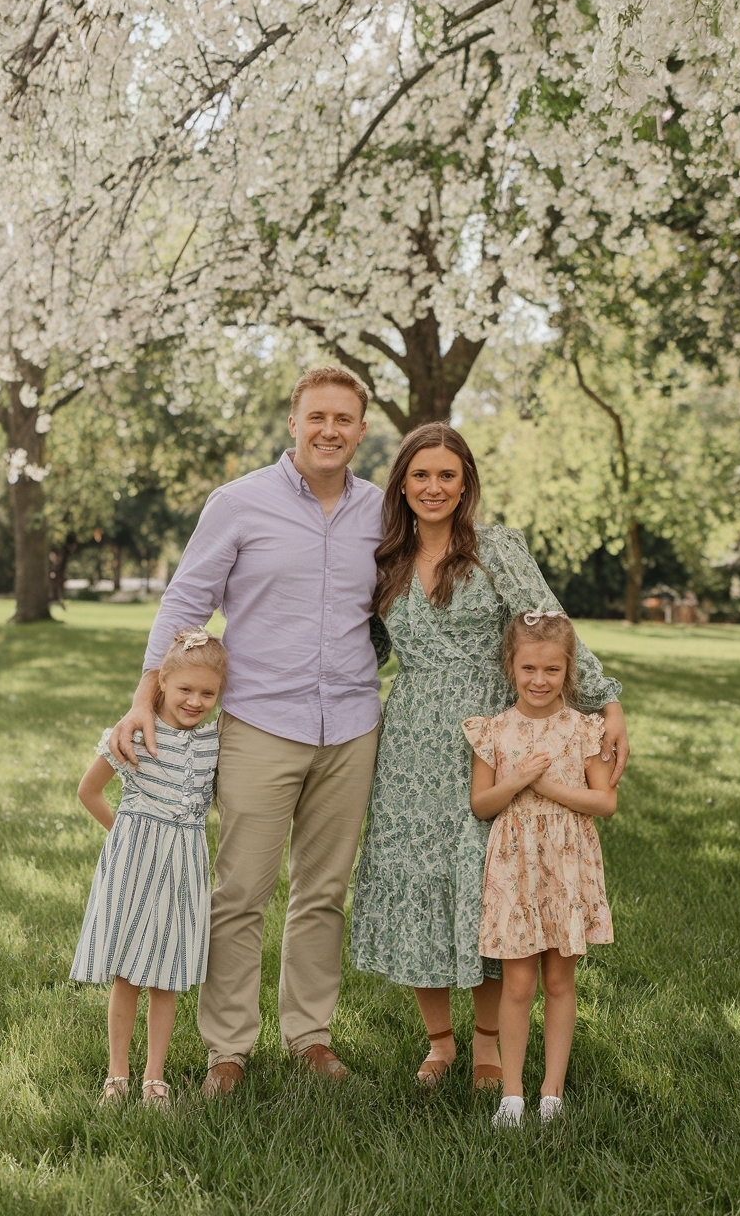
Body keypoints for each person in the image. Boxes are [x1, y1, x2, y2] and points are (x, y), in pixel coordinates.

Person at [108, 367, 385, 1096]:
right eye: (317, 416)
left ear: (362, 430)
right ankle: (227, 1048)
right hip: (261, 722)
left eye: (344, 419)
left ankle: (310, 1037)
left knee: (323, 893)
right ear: (294, 423)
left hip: (352, 725)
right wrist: (144, 698)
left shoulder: (382, 512)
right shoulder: (238, 503)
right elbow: (186, 602)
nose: (330, 430)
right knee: (239, 894)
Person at [350, 423, 627, 1090]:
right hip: (411, 744)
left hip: (493, 738)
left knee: (488, 886)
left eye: (447, 475)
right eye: (420, 475)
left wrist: (606, 700)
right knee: (418, 879)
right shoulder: (384, 559)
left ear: (465, 483)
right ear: (402, 484)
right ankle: (439, 1042)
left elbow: (550, 623)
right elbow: (362, 649)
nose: (433, 487)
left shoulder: (495, 549)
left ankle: (488, 1043)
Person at [464, 610, 616, 1128]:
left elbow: (605, 802)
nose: (539, 680)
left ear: (568, 670)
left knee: (558, 980)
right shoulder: (494, 731)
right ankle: (512, 1094)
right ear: (511, 666)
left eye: (552, 670)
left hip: (566, 866)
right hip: (516, 868)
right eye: (529, 668)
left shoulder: (582, 729)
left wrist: (547, 786)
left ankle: (552, 1091)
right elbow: (482, 804)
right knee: (518, 983)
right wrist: (517, 780)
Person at [71, 628, 226, 1106]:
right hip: (134, 864)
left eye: (208, 694)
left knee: (168, 974)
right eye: (185, 689)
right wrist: (126, 833)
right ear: (161, 683)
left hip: (184, 868)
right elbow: (88, 791)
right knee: (128, 974)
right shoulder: (134, 734)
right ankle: (117, 1075)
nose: (195, 701)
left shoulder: (213, 742)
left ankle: (154, 1077)